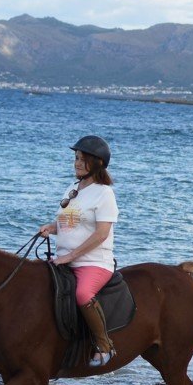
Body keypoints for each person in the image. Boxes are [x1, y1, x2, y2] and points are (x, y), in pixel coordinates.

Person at [39, 136, 119, 366]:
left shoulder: (104, 193)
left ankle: (104, 345)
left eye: (83, 160)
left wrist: (71, 256)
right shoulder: (72, 188)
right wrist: (51, 228)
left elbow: (101, 234)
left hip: (93, 262)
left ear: (98, 164)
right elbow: (70, 224)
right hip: (65, 260)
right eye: (76, 158)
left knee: (83, 294)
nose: (77, 163)